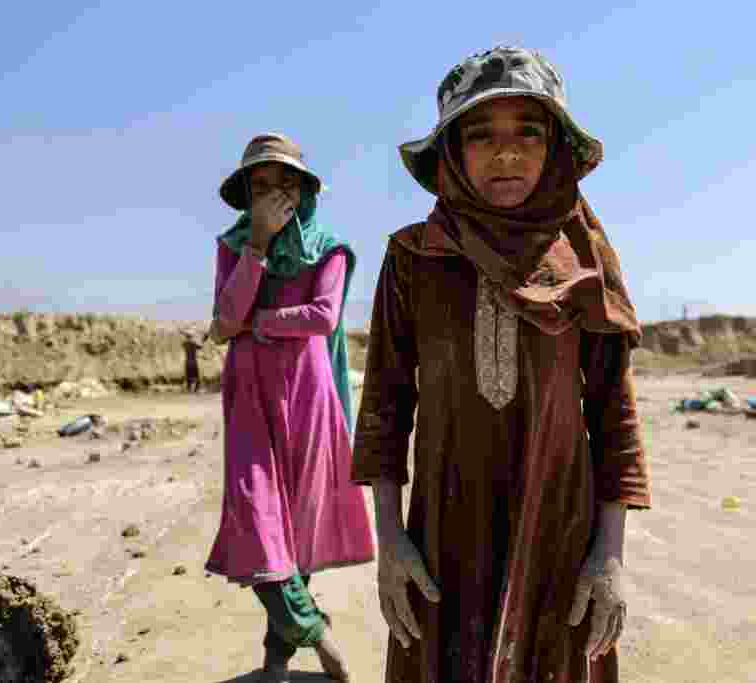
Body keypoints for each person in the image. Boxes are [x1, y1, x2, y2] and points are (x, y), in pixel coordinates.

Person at [352, 47, 652, 683]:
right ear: (452, 155)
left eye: (529, 134)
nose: (507, 154)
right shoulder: (414, 259)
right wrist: (391, 545)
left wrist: (610, 557)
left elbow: (613, 414)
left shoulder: (585, 264)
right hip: (441, 544)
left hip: (561, 539)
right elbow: (383, 406)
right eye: (481, 136)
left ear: (556, 152)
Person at [205, 133, 375, 682]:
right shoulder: (233, 246)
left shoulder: (331, 248)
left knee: (292, 540)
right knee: (258, 525)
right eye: (261, 185)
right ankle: (318, 633)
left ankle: (275, 662)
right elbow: (224, 322)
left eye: (284, 182)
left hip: (307, 396)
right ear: (248, 196)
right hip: (250, 397)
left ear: (302, 190)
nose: (273, 193)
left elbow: (322, 316)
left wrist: (261, 324)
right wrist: (256, 246)